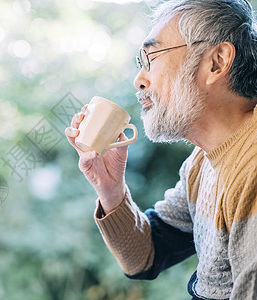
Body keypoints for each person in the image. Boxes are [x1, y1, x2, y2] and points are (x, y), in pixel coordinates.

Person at [65, 0, 257, 299]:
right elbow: (145, 257)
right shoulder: (201, 162)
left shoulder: (252, 167)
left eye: (152, 57)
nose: (139, 80)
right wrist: (111, 189)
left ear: (216, 62)